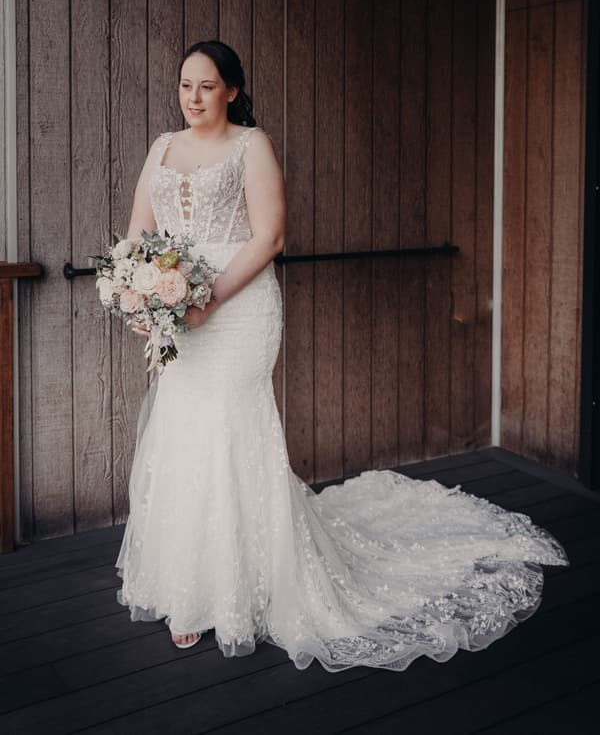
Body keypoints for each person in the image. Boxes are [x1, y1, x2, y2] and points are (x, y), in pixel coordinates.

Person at [115, 39, 570, 671]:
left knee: (229, 426)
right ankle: (186, 586)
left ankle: (242, 585)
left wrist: (207, 299)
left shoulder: (253, 146)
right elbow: (137, 235)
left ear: (233, 91)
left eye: (207, 86)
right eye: (185, 86)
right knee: (183, 426)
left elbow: (271, 234)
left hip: (237, 307)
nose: (194, 98)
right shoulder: (161, 148)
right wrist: (144, 299)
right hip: (175, 309)